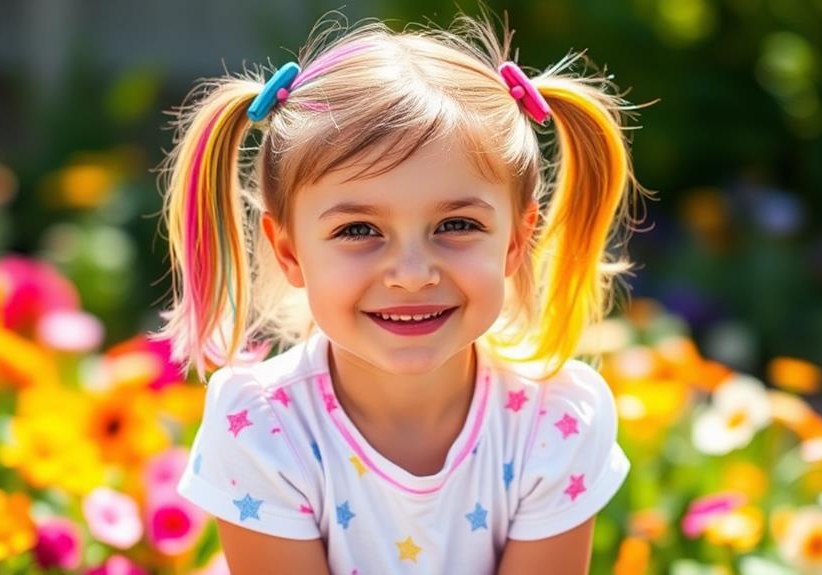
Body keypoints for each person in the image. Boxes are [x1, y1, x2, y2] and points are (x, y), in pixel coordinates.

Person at [155, 9, 650, 575]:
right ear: (289, 252)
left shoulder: (553, 422)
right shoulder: (265, 430)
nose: (412, 274)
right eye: (358, 231)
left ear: (516, 241)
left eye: (457, 225)